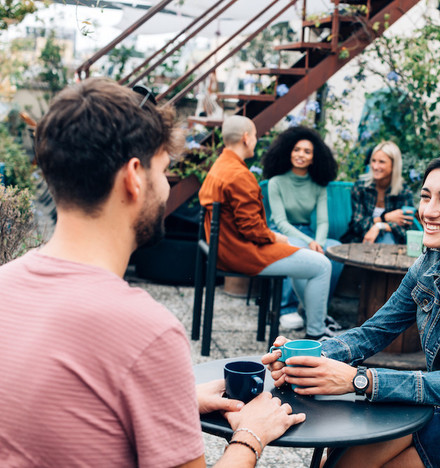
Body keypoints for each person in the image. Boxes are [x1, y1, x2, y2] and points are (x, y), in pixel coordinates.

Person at [0, 78, 305, 467]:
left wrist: (176, 399)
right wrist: (251, 435)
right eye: (163, 170)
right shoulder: (146, 331)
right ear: (133, 177)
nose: (165, 188)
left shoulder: (5, 284)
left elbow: (49, 410)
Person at [264, 151, 440, 467]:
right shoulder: (430, 267)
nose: (428, 211)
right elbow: (372, 334)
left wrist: (359, 380)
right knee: (342, 460)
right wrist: (310, 356)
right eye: (425, 197)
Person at [199, 116, 340, 340]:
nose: (255, 141)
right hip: (242, 252)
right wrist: (276, 238)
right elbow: (252, 229)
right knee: (322, 265)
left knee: (305, 257)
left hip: (226, 247)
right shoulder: (239, 175)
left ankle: (314, 323)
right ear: (246, 138)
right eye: (255, 136)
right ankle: (316, 334)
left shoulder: (221, 166)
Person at [262, 126, 344, 331]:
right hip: (282, 233)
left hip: (308, 232)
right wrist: (310, 243)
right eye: (297, 149)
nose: (301, 155)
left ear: (314, 158)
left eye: (307, 152)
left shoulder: (318, 185)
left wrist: (320, 243)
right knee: (300, 251)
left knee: (336, 252)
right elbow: (280, 221)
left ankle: (317, 310)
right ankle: (288, 309)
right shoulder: (276, 183)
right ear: (289, 152)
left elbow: (323, 221)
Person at [344, 141, 415, 244]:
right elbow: (357, 225)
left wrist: (379, 226)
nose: (375, 166)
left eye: (381, 162)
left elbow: (405, 232)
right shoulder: (361, 187)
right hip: (359, 242)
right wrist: (386, 218)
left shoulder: (404, 192)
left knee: (388, 237)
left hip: (390, 246)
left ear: (394, 165)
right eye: (373, 161)